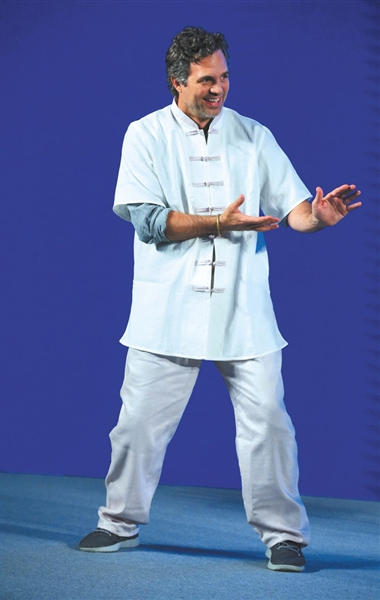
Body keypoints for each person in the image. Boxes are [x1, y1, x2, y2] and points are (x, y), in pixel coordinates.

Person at [79, 26, 361, 571]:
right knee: (137, 425)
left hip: (243, 306)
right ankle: (117, 522)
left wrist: (319, 218)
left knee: (269, 425)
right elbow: (149, 221)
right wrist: (217, 223)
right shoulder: (145, 135)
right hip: (167, 307)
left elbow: (295, 211)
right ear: (177, 82)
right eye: (207, 80)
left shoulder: (254, 135)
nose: (219, 89)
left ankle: (284, 537)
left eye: (224, 77)